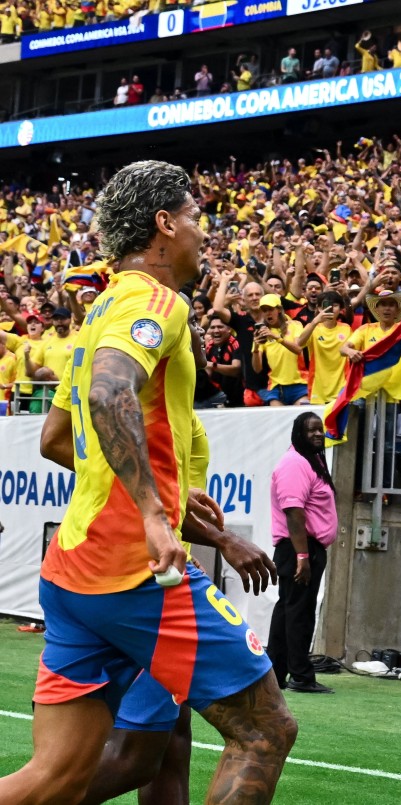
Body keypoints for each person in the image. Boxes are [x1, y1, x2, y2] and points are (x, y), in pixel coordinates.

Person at [0, 160, 297, 804]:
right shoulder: (156, 301)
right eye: (195, 217)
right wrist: (154, 511)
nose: (203, 233)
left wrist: (151, 488)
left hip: (73, 572)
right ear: (164, 224)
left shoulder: (98, 311)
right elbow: (111, 394)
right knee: (266, 730)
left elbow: (55, 438)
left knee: (57, 778)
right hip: (133, 569)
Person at [40, 321, 277, 805]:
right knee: (253, 732)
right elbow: (158, 512)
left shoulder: (170, 413)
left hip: (92, 574)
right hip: (149, 584)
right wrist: (224, 540)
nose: (202, 353)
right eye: (191, 346)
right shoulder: (150, 408)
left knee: (168, 748)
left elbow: (54, 441)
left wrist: (170, 500)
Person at [268, 412, 338, 694]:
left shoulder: (312, 460)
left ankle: (276, 673)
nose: (318, 434)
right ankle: (301, 675)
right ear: (299, 433)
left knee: (290, 610)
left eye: (320, 430)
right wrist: (302, 557)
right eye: (311, 431)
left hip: (306, 548)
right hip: (299, 549)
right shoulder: (295, 464)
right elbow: (294, 514)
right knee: (298, 613)